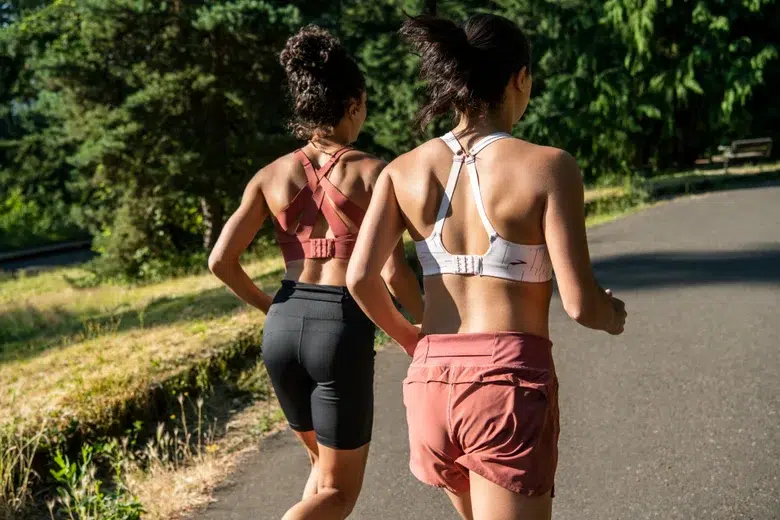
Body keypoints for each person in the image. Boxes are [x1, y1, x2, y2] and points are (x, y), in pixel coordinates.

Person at [347, 13, 627, 520]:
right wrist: (612, 314)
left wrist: (411, 340)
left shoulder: (401, 171)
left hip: (431, 384)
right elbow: (582, 305)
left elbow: (362, 277)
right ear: (519, 78)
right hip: (505, 389)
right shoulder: (549, 166)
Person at [209, 25, 423, 520]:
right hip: (340, 328)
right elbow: (393, 274)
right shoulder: (376, 174)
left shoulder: (270, 175)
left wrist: (272, 307)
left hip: (282, 328)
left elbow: (221, 261)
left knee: (320, 469)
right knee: (339, 495)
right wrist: (425, 330)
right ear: (355, 104)